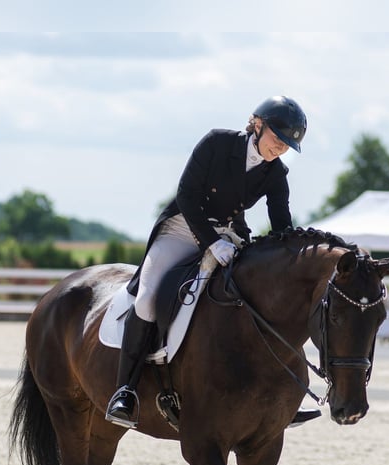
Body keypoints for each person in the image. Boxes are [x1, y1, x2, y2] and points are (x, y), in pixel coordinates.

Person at [106, 95, 321, 430]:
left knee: (262, 301)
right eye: (276, 139)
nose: (279, 148)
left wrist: (292, 259)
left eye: (286, 145)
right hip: (182, 228)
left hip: (230, 235)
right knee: (147, 298)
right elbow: (186, 196)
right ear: (257, 124)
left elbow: (281, 224)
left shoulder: (276, 173)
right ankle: (125, 390)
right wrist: (211, 242)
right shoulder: (217, 143)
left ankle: (282, 395)